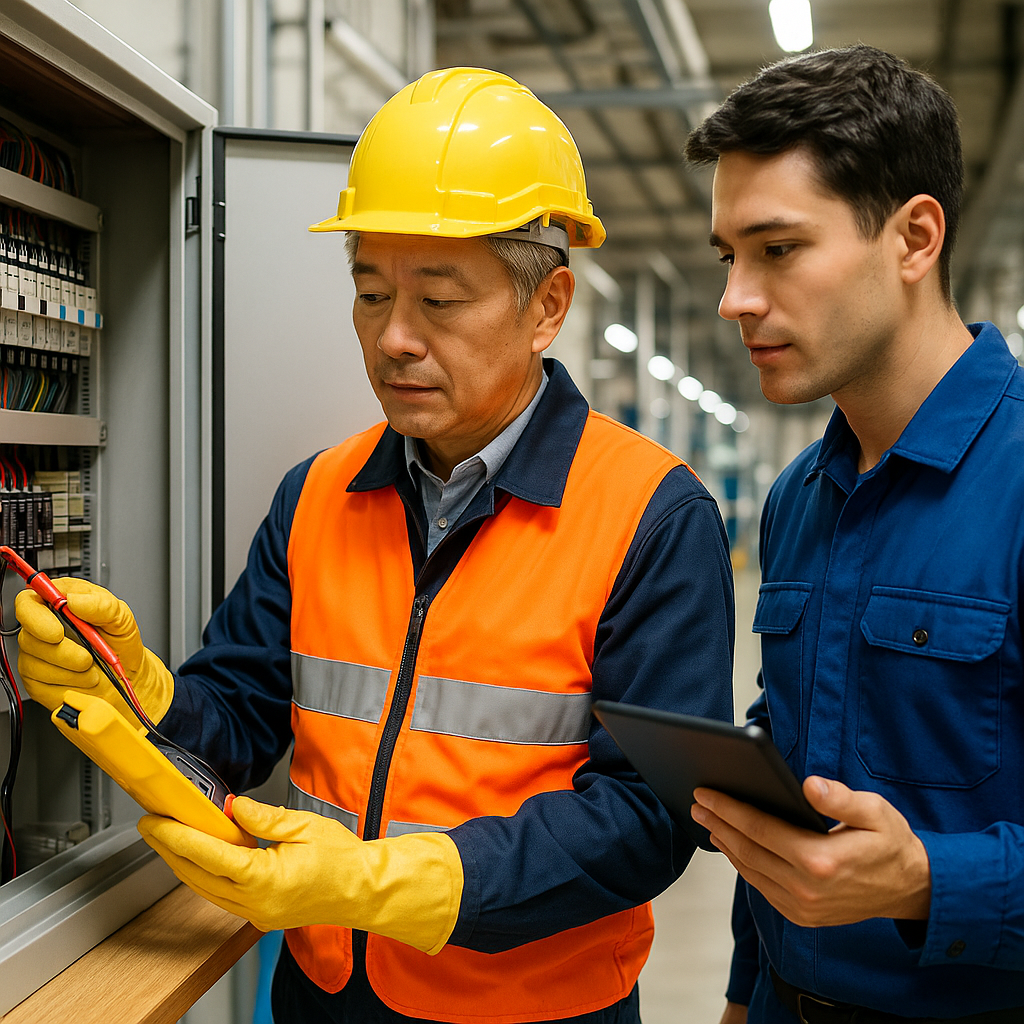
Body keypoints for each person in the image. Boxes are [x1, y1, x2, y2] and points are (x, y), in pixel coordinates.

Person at [16, 68, 734, 1023]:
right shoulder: (317, 493)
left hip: (528, 1006)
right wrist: (142, 691)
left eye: (440, 301)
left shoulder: (650, 514)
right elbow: (238, 716)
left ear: (547, 306)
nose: (394, 338)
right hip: (325, 993)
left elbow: (648, 817)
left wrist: (396, 884)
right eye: (368, 292)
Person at [683, 44, 1024, 1024]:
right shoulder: (798, 498)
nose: (735, 298)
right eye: (727, 256)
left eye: (776, 249)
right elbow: (791, 802)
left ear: (914, 238)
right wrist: (745, 996)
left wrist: (927, 880)